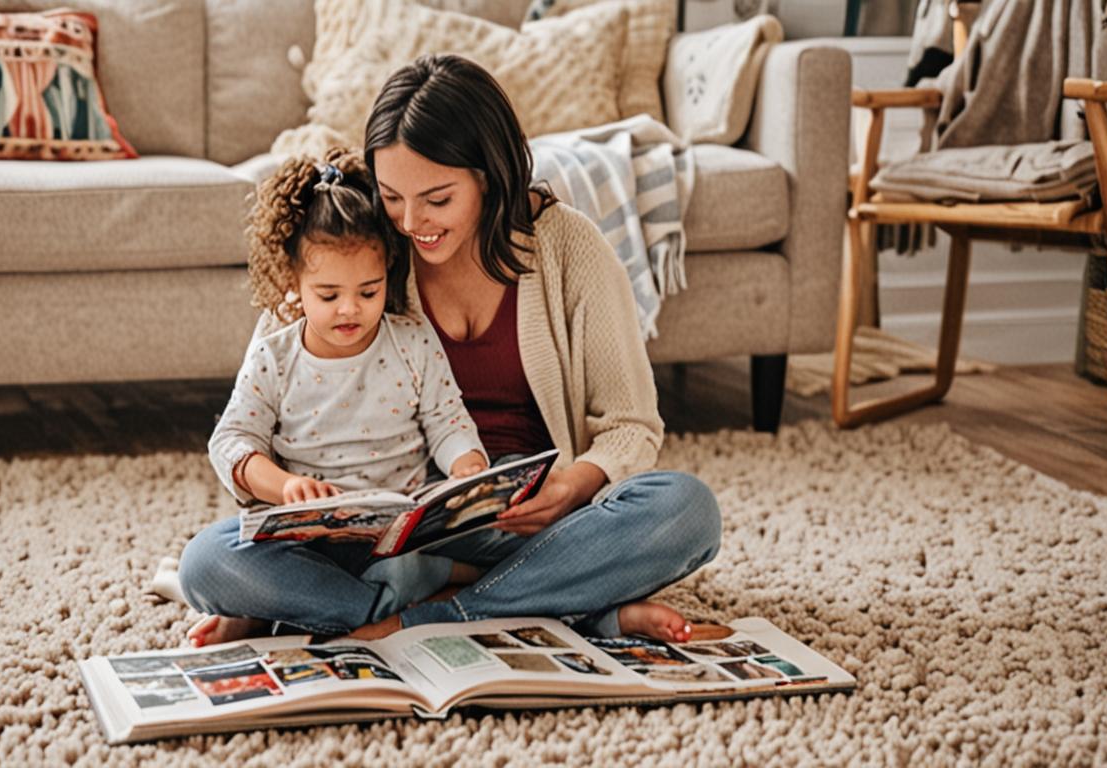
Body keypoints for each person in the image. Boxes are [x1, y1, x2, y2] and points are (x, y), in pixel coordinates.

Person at [353, 53, 723, 642]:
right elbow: (286, 374)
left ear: (489, 175)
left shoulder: (569, 247)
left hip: (540, 522)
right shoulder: (373, 246)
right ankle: (581, 607)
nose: (410, 221)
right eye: (392, 195)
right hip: (406, 522)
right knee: (216, 561)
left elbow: (631, 425)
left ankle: (441, 612)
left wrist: (573, 485)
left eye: (437, 199)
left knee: (687, 509)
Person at [178, 147, 488, 646]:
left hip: (396, 542)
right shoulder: (276, 352)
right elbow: (233, 439)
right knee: (202, 564)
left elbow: (447, 421)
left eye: (369, 292)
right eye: (328, 295)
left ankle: (289, 609)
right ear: (292, 283)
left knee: (501, 535)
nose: (350, 310)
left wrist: (467, 463)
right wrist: (284, 486)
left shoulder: (410, 339)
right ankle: (392, 607)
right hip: (307, 545)